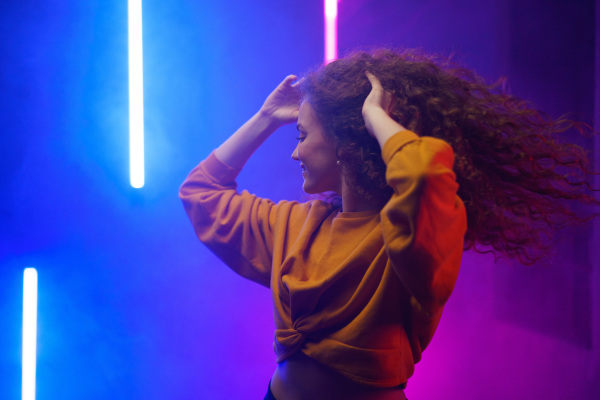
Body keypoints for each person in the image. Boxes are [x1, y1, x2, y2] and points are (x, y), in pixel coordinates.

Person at [179, 49, 599, 400]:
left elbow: (424, 176)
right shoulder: (295, 224)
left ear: (346, 143)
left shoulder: (413, 237)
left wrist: (375, 118)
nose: (295, 153)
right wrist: (266, 118)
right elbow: (200, 192)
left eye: (301, 136)